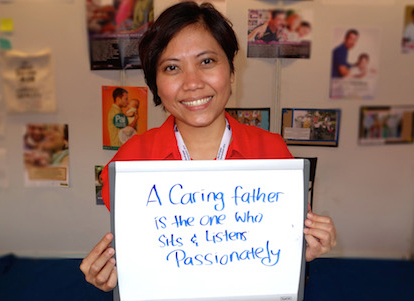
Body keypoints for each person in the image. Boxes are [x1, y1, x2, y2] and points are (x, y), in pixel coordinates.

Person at [80, 1, 337, 292]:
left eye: (206, 62)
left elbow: (278, 246)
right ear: (156, 84)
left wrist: (304, 249)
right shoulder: (128, 162)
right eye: (172, 67)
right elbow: (141, 251)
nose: (192, 83)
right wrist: (113, 274)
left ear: (231, 72)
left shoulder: (273, 152)